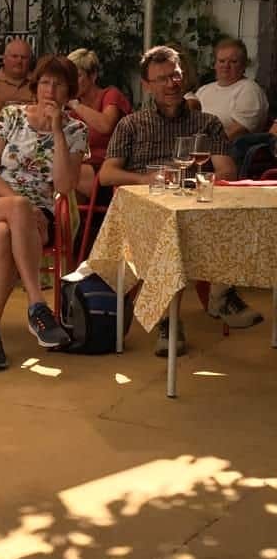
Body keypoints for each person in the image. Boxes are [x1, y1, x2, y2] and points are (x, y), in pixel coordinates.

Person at [99, 45, 262, 355]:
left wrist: (208, 178)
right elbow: (106, 174)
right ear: (147, 85)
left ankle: (221, 293)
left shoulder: (207, 123)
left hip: (192, 204)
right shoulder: (131, 124)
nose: (170, 84)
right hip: (147, 205)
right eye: (160, 79)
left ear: (183, 77)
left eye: (174, 76)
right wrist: (144, 180)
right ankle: (168, 321)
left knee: (227, 212)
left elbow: (226, 170)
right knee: (163, 224)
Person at [0, 55, 88, 370]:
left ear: (69, 92)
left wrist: (58, 133)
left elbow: (64, 184)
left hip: (37, 218)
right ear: (36, 86)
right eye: (46, 82)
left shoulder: (76, 130)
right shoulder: (11, 116)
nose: (51, 90)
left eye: (59, 84)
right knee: (12, 212)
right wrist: (21, 204)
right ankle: (38, 306)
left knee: (3, 233)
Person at [187, 38, 269, 164]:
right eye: (221, 61)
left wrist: (201, 148)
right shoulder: (204, 90)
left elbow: (236, 132)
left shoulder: (249, 90)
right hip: (196, 151)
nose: (226, 66)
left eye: (233, 62)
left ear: (243, 65)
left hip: (226, 156)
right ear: (215, 64)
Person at [65, 48, 132, 199]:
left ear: (93, 76)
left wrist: (75, 105)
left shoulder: (110, 95)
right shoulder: (72, 113)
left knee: (63, 175)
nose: (71, 82)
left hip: (111, 173)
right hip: (84, 172)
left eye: (78, 76)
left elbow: (105, 125)